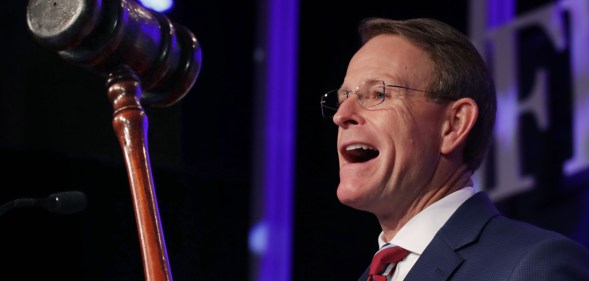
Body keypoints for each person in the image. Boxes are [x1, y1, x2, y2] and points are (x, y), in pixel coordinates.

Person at [320, 17, 589, 281]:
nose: (341, 115)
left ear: (454, 125)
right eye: (343, 98)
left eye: (378, 94)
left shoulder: (533, 266)